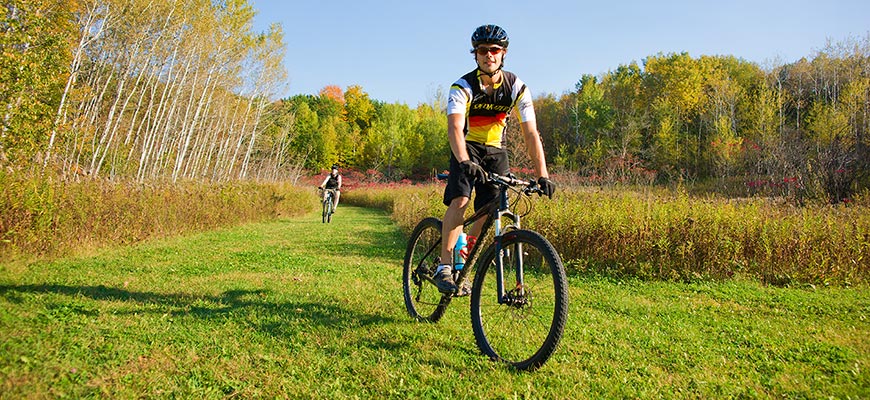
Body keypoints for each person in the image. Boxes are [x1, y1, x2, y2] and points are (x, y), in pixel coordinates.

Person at [434, 24, 555, 294]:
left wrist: (542, 174)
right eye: (482, 50)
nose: (489, 54)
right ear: (475, 55)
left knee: (492, 208)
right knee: (461, 199)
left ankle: (464, 250)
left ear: (503, 53)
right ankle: (444, 265)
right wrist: (464, 160)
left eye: (494, 50)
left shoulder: (517, 87)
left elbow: (531, 133)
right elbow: (454, 128)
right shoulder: (462, 86)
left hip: (497, 151)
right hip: (466, 147)